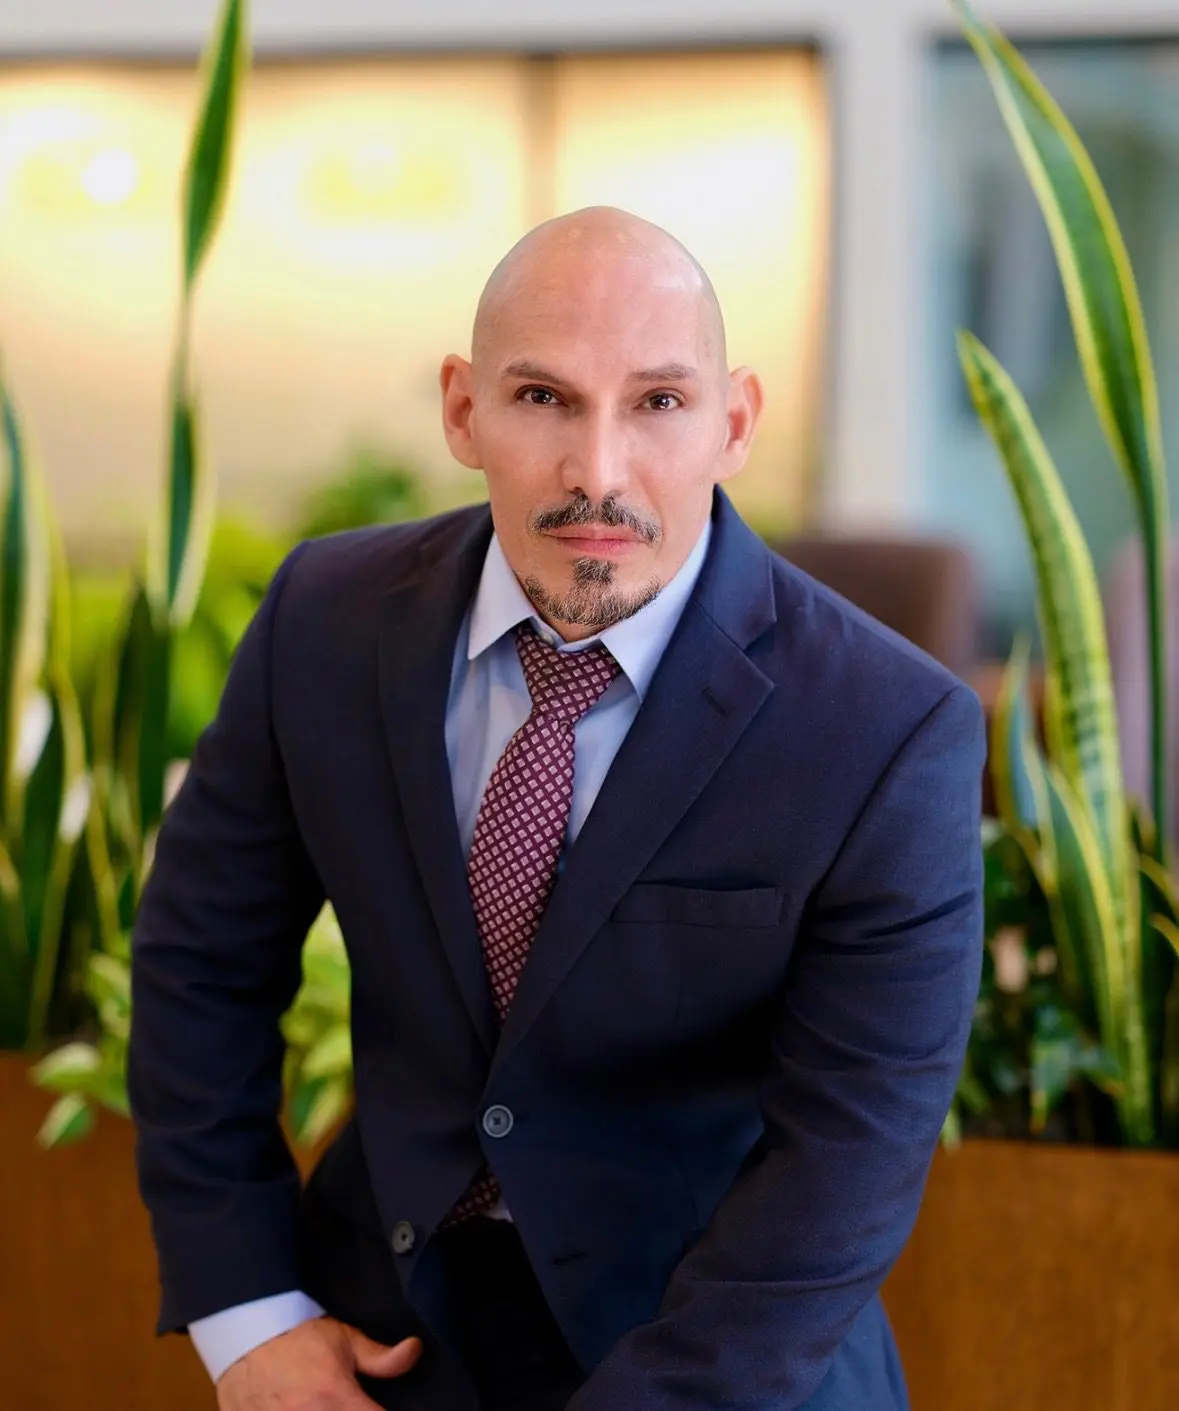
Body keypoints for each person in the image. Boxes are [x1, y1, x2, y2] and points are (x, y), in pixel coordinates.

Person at [128, 205, 985, 1411]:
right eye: (542, 398)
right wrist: (249, 1315)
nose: (598, 470)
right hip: (374, 1344)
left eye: (658, 402)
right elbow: (198, 968)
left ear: (733, 422)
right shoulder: (323, 621)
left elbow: (843, 1168)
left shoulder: (890, 730)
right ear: (461, 409)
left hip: (719, 1359)